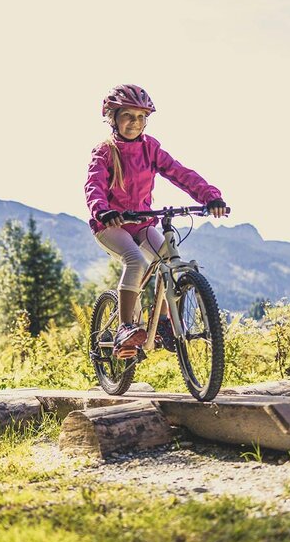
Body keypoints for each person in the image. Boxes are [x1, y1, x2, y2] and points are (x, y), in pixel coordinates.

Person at [84, 84, 227, 356]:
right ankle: (125, 327)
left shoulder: (151, 148)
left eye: (141, 117)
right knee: (135, 260)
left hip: (142, 222)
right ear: (112, 117)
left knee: (168, 259)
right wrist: (102, 210)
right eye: (128, 116)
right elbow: (94, 185)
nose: (135, 123)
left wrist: (210, 196)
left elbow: (180, 173)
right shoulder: (104, 151)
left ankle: (162, 322)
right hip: (111, 224)